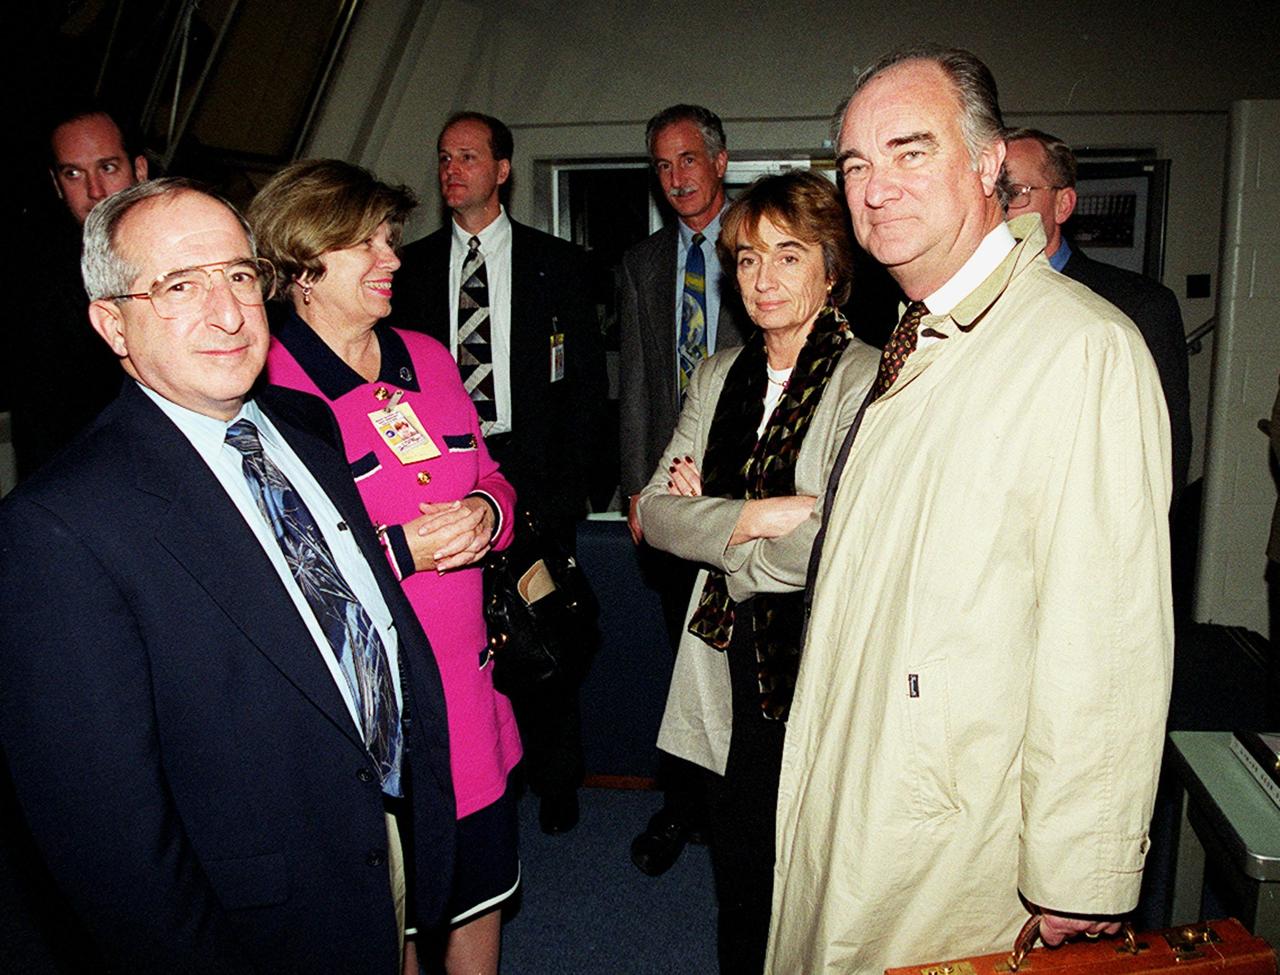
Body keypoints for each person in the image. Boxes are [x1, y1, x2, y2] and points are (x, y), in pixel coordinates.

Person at [768, 46, 1174, 974]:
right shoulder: (917, 336)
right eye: (857, 164)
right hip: (861, 768)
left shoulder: (1079, 349)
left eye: (911, 152)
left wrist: (1082, 869)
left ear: (991, 163)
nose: (876, 188)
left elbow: (1108, 636)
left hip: (953, 829)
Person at [0, 177, 456, 973]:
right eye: (181, 285)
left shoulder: (307, 431)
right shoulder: (60, 526)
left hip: (376, 841)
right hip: (250, 924)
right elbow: (109, 841)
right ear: (113, 323)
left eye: (240, 275)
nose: (228, 311)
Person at [249, 158, 521, 975]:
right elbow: (270, 572)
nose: (391, 258)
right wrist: (404, 550)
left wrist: (487, 514)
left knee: (481, 895)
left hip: (469, 700)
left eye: (390, 239)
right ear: (301, 267)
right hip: (373, 724)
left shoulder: (429, 359)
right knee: (389, 924)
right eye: (363, 243)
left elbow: (495, 477)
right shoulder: (267, 394)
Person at [637, 170, 877, 973]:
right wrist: (761, 512)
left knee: (818, 873)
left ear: (832, 268)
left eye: (788, 255)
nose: (763, 279)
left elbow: (839, 535)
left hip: (823, 659)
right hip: (726, 663)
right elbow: (653, 514)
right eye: (746, 260)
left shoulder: (870, 378)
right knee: (740, 871)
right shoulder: (716, 374)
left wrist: (717, 528)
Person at [386, 112, 604, 837]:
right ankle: (479, 776)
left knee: (543, 628)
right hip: (441, 479)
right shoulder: (408, 270)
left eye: (469, 156)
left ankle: (558, 775)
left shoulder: (559, 264)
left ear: (502, 170)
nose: (452, 169)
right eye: (444, 157)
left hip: (535, 477)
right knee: (462, 639)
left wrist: (577, 482)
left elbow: (584, 386)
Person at [619, 103, 751, 877]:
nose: (677, 179)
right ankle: (683, 805)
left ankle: (740, 807)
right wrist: (640, 487)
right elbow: (637, 385)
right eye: (664, 165)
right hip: (671, 496)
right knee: (682, 659)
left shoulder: (759, 243)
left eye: (689, 161)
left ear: (721, 161)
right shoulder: (640, 264)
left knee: (741, 663)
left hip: (749, 499)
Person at [1003, 127, 1192, 505]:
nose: (999, 208)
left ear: (1063, 204)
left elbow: (1162, 460)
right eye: (989, 193)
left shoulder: (1137, 306)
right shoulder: (961, 306)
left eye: (1015, 194)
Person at [10, 102, 149, 478]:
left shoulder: (187, 247)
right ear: (57, 185)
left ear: (139, 169)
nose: (95, 191)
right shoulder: (40, 286)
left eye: (107, 167)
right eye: (74, 174)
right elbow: (42, 424)